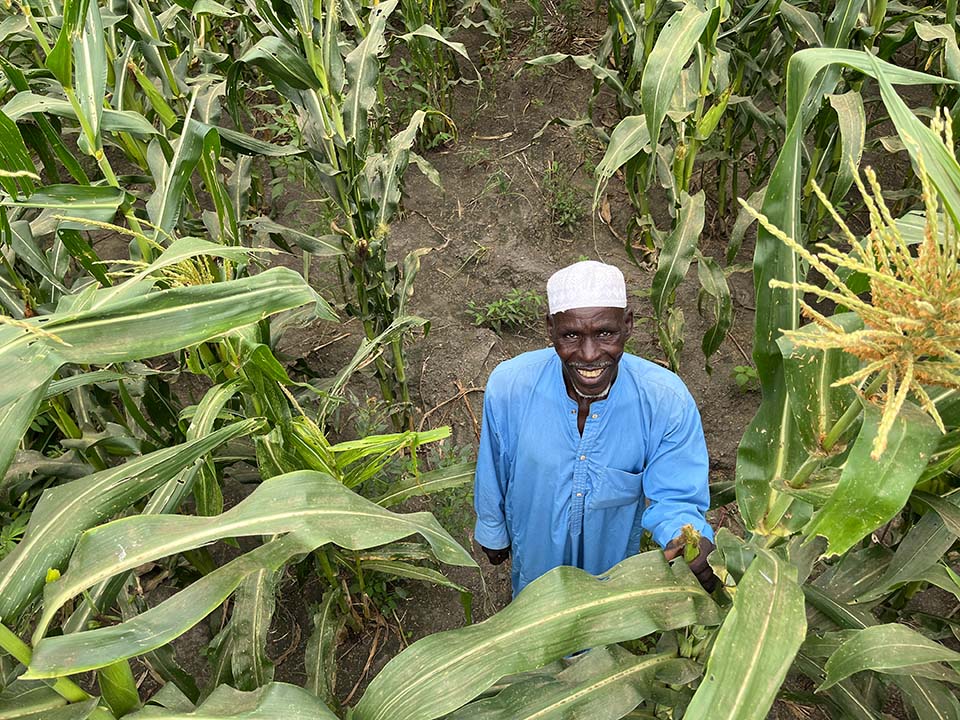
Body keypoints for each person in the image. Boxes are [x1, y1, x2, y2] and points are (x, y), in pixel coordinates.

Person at [473, 260, 717, 597]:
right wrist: (492, 530)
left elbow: (676, 495)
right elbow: (493, 468)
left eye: (605, 333)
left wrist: (688, 538)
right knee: (534, 628)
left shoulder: (665, 400)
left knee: (603, 642)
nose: (589, 355)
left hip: (611, 579)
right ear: (550, 329)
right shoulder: (510, 386)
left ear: (628, 325)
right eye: (571, 335)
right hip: (535, 563)